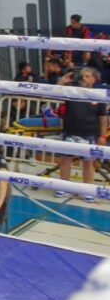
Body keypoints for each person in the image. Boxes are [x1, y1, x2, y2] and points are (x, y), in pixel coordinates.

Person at [53, 66, 108, 203]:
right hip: (70, 131)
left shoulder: (99, 95)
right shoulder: (72, 91)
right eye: (83, 75)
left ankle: (87, 190)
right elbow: (54, 94)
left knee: (88, 163)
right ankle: (63, 186)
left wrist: (102, 135)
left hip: (89, 134)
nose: (84, 77)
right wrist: (62, 81)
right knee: (66, 159)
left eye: (87, 75)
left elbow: (103, 117)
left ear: (94, 79)